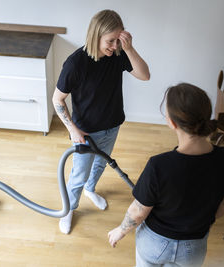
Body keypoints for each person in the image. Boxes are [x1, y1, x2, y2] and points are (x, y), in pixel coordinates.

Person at [108, 83, 224, 266]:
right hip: (194, 247)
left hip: (154, 243)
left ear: (171, 122)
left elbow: (138, 212)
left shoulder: (159, 166)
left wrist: (120, 231)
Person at [53, 9, 150, 234]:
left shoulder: (118, 55)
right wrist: (73, 129)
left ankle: (91, 189)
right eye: (110, 41)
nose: (114, 46)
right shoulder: (75, 63)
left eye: (118, 40)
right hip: (85, 132)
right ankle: (69, 209)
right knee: (79, 173)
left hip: (112, 125)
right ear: (95, 35)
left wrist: (129, 48)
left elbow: (145, 75)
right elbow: (57, 99)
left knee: (101, 164)